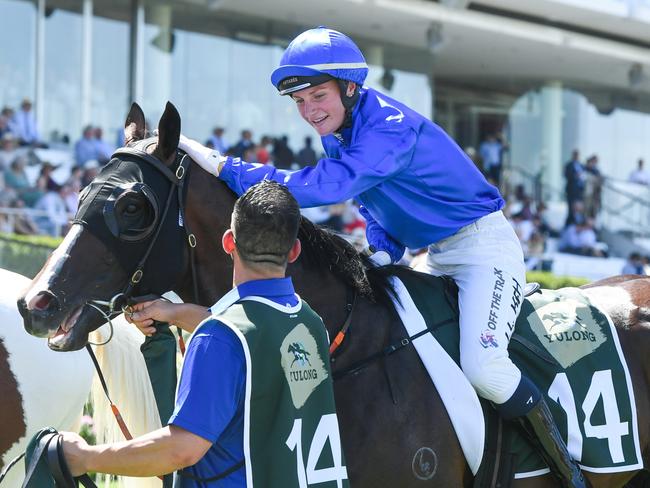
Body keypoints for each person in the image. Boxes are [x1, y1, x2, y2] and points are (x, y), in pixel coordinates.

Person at [176, 26, 588, 487]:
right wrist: (380, 250)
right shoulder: (341, 132)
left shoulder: (389, 127)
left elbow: (330, 187)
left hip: (482, 250)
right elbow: (376, 205)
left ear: (350, 88)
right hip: (434, 255)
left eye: (318, 96)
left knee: (483, 366)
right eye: (300, 103)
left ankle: (566, 466)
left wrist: (223, 166)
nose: (310, 112)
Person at [60, 181, 348, 487]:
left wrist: (86, 458)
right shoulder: (310, 322)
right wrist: (171, 312)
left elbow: (182, 449)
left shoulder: (220, 337)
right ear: (294, 251)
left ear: (228, 242)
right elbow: (249, 334)